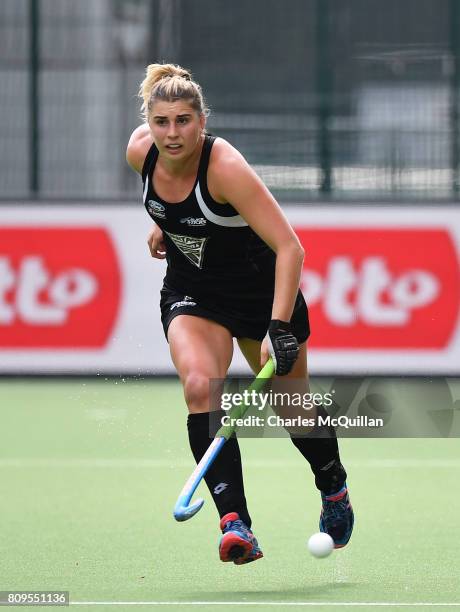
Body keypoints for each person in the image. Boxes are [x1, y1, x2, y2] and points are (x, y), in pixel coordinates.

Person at [126, 63, 353, 564]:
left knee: (293, 409)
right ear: (149, 121)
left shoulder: (223, 167)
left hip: (260, 295)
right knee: (200, 386)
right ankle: (235, 524)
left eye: (183, 120)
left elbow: (291, 248)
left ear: (202, 122)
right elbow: (165, 202)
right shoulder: (139, 153)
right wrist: (163, 226)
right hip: (194, 293)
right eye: (161, 121)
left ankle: (333, 486)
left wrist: (278, 326)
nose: (172, 133)